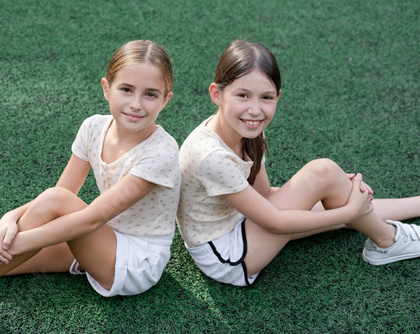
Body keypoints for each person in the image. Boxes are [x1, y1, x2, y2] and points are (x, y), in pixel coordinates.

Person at [0, 40, 180, 321]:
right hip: (101, 237)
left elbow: (89, 217)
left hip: (135, 261)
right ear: (107, 88)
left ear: (166, 99)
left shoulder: (162, 152)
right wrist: (8, 219)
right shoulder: (94, 127)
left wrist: (19, 242)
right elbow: (61, 192)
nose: (136, 104)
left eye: (150, 94)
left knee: (14, 245)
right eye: (126, 89)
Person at [177, 39, 420, 287]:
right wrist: (347, 211)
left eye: (266, 98)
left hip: (243, 220)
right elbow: (275, 221)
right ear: (217, 94)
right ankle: (388, 242)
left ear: (277, 97)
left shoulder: (248, 129)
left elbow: (262, 195)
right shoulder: (212, 157)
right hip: (228, 256)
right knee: (325, 177)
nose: (255, 109)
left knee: (329, 179)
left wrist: (333, 189)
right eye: (243, 95)